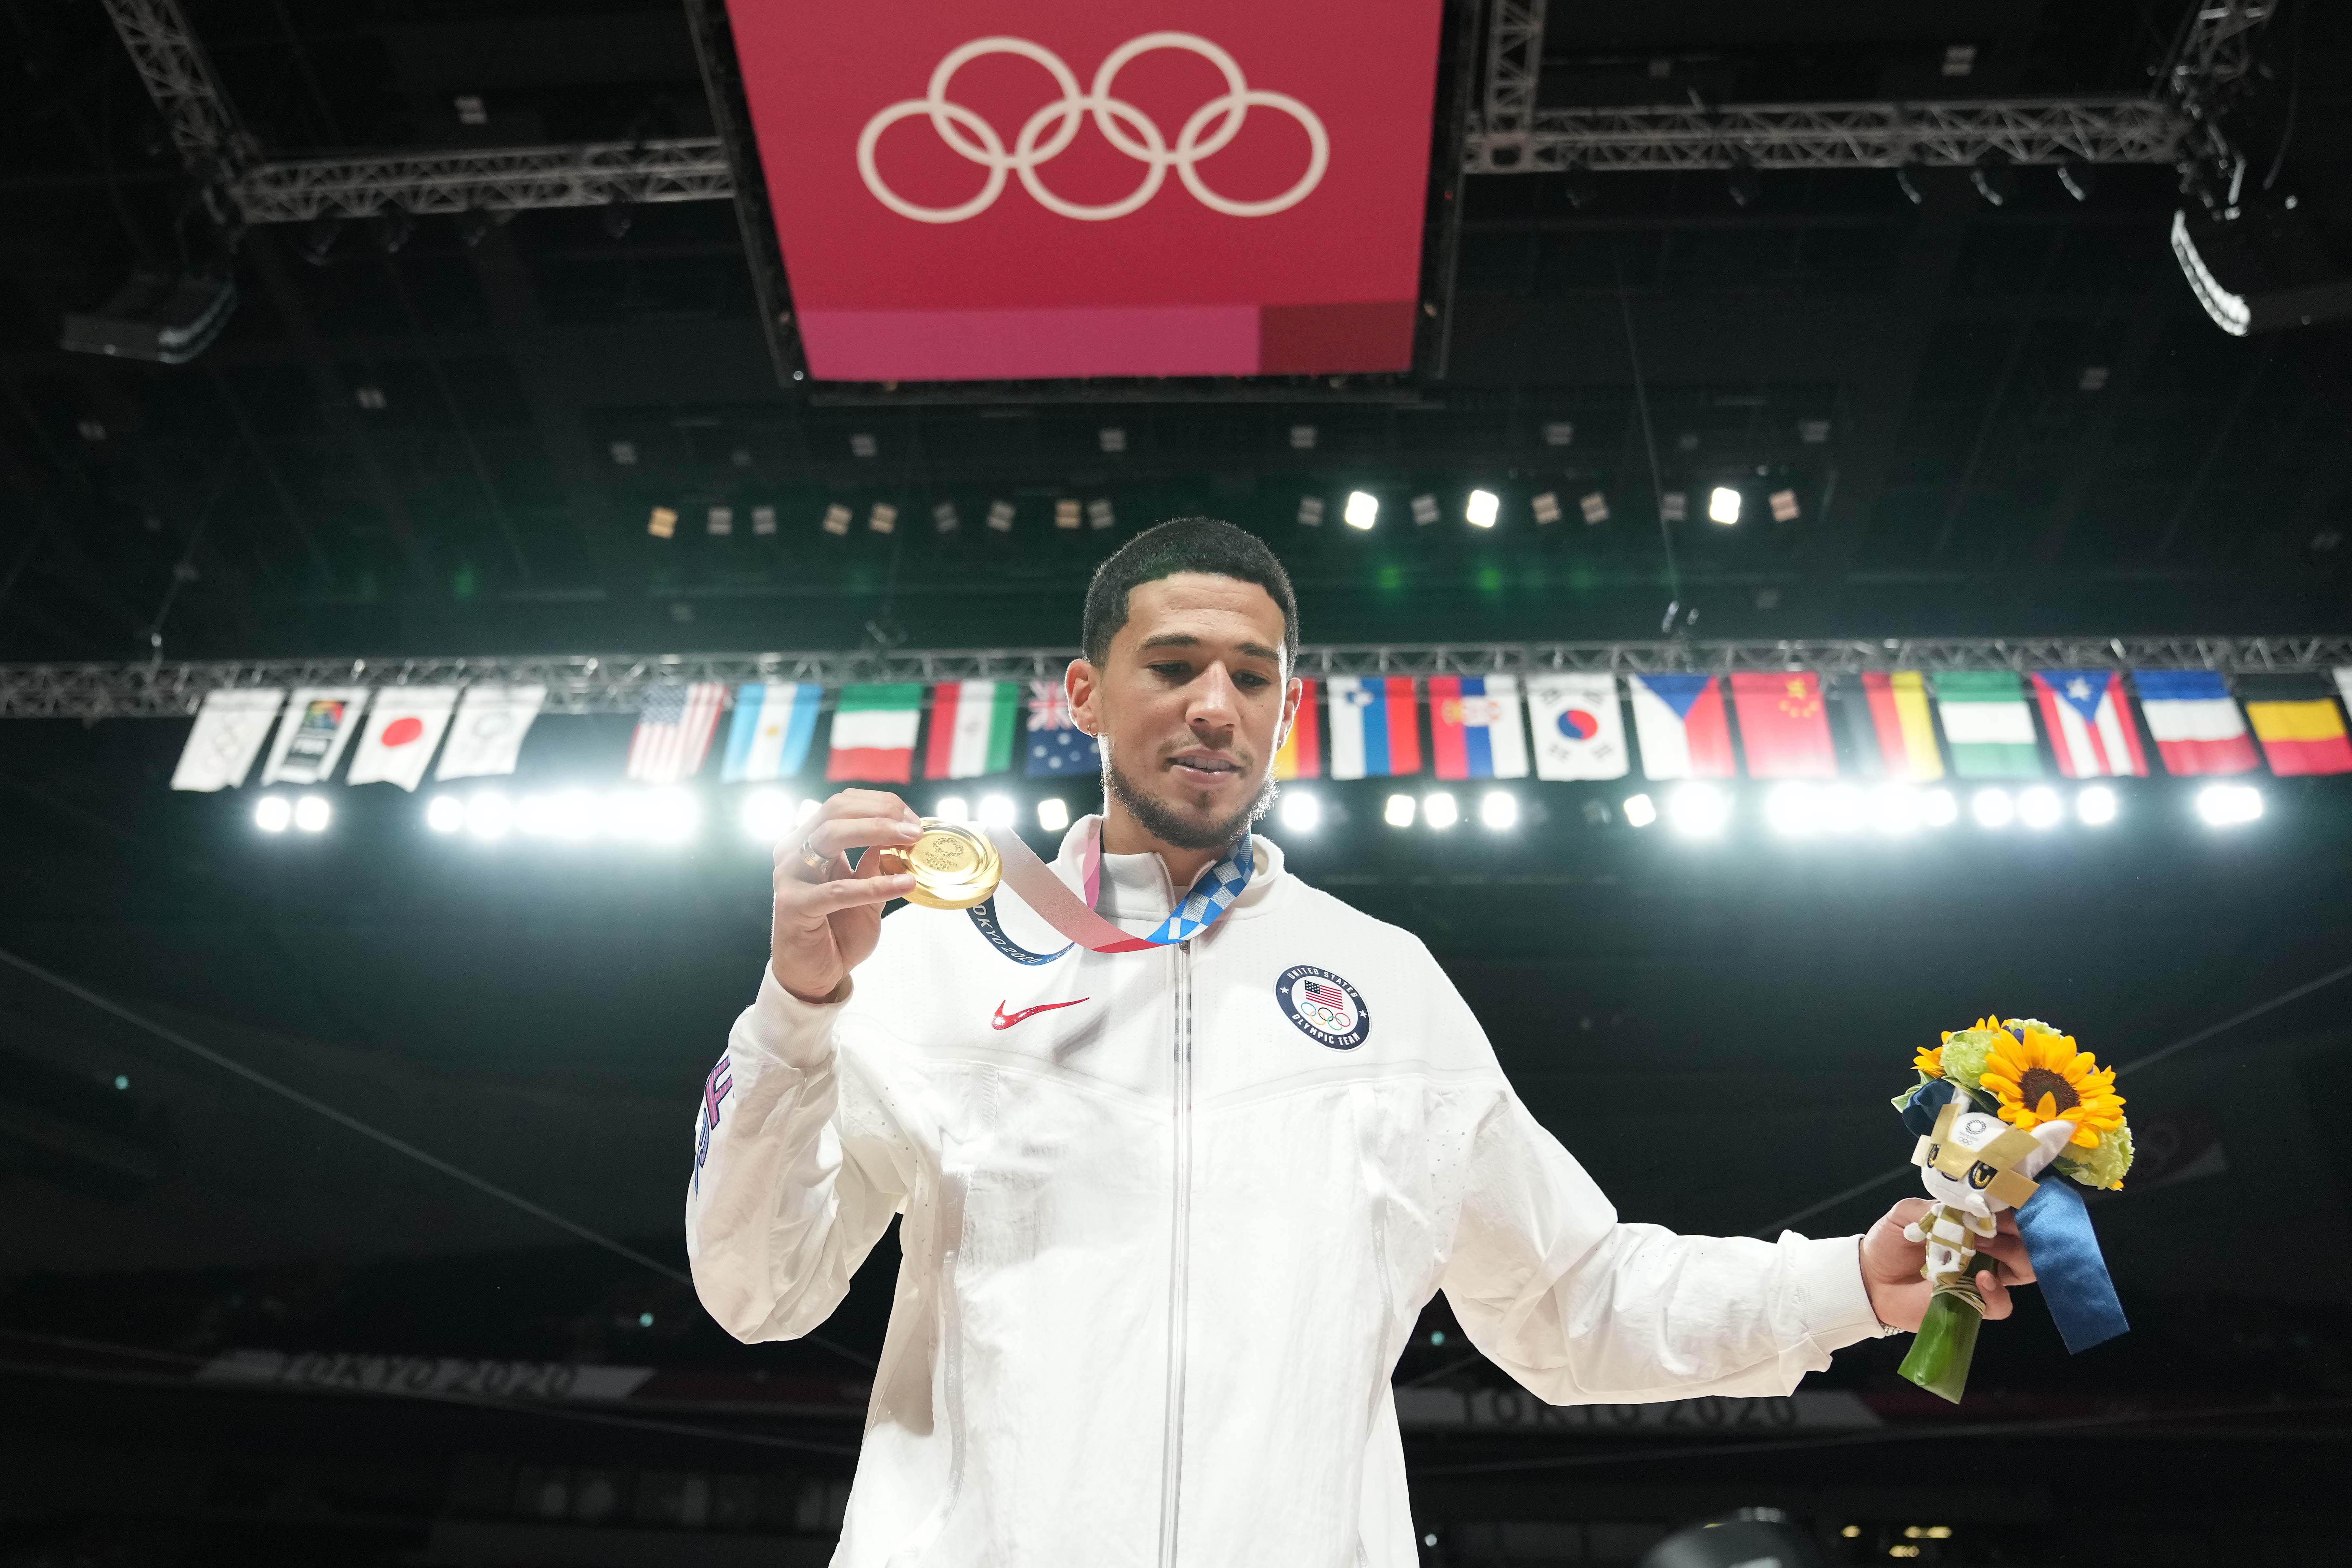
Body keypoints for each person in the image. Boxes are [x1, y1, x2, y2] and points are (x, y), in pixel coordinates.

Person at [685, 517, 2038, 1566]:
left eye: (1251, 676)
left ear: (1285, 710)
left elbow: (1574, 1304)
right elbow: (760, 1291)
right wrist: (794, 1015)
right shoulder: (928, 958)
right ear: (1083, 699)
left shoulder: (1390, 989)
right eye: (1171, 668)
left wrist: (1854, 1284)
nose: (1214, 703)